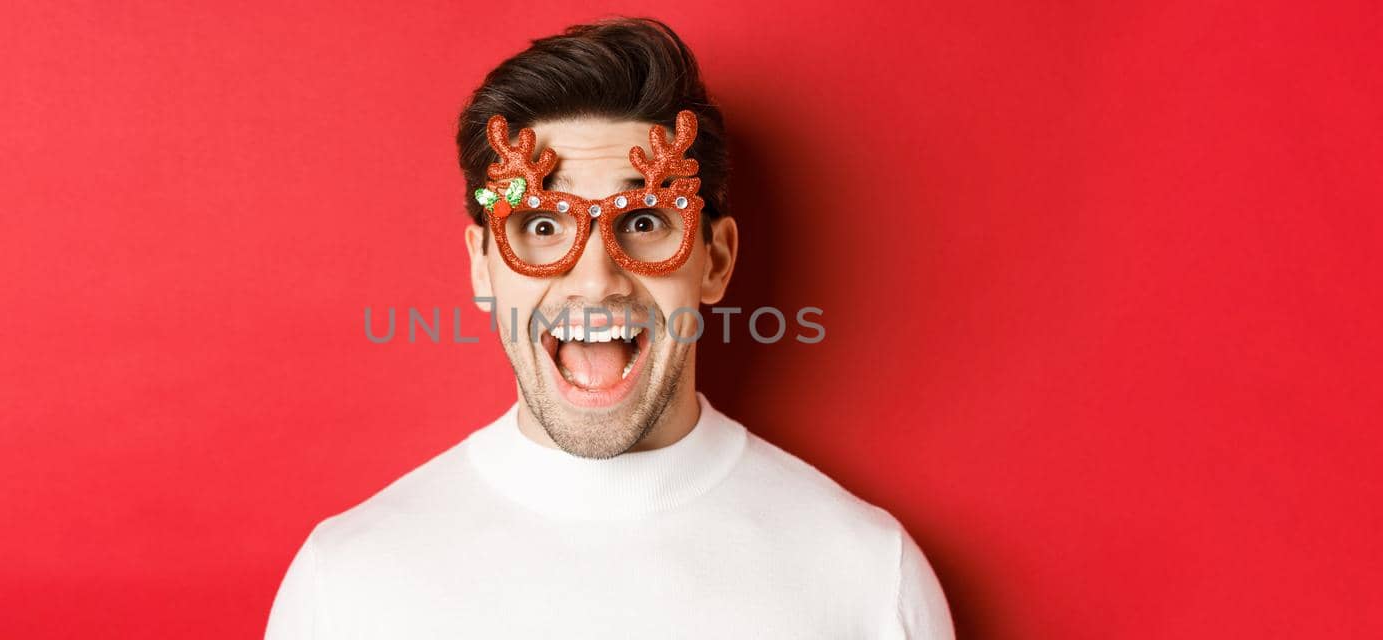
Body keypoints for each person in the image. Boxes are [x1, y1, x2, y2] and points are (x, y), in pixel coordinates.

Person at [265, 17, 954, 639]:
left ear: (714, 261)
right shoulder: (348, 584)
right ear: (483, 267)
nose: (595, 282)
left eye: (645, 222)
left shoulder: (866, 578)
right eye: (540, 226)